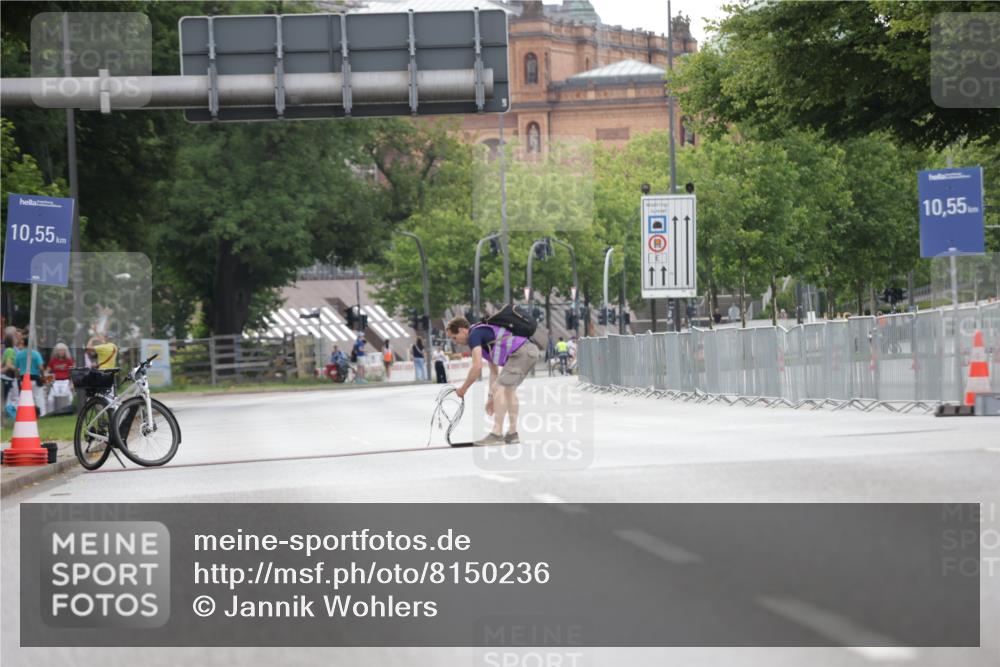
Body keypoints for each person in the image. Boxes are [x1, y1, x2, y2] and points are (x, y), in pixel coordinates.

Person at [446, 315, 540, 446]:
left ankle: (496, 434)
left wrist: (463, 389)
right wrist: (491, 397)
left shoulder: (474, 335)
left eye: (454, 337)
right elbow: (494, 372)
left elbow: (477, 367)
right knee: (508, 390)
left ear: (462, 330)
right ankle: (512, 434)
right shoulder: (482, 336)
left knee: (502, 388)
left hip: (522, 352)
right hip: (527, 351)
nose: (455, 341)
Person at [47, 343, 75, 413]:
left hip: (66, 381)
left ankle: (67, 412)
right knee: (50, 399)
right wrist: (49, 381)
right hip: (55, 382)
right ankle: (52, 412)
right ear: (56, 351)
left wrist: (72, 383)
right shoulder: (53, 361)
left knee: (69, 398)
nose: (61, 352)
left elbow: (73, 372)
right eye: (59, 350)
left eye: (63, 350)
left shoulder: (69, 360)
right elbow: (47, 371)